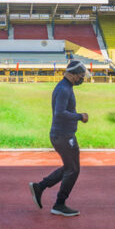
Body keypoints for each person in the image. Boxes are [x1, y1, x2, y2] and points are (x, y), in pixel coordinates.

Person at [29, 60, 90, 217]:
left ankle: (40, 187)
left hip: (63, 135)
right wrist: (79, 116)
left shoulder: (65, 87)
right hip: (63, 136)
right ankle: (59, 204)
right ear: (71, 74)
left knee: (70, 167)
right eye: (80, 76)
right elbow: (59, 113)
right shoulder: (64, 89)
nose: (82, 79)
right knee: (73, 170)